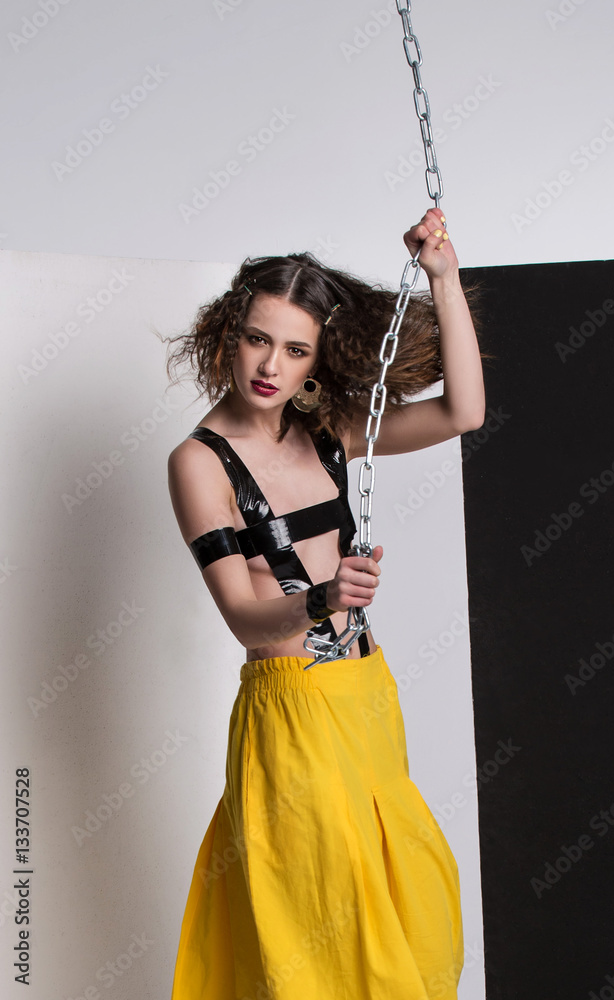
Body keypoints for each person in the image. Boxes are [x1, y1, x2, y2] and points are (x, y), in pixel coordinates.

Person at [166, 206, 486, 1000]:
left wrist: (445, 279)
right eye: (258, 339)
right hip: (291, 713)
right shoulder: (199, 462)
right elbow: (241, 614)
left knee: (414, 915)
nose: (270, 365)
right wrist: (322, 597)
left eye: (295, 349)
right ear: (228, 333)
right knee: (321, 941)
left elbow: (464, 412)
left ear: (317, 358)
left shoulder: (327, 427)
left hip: (368, 696)